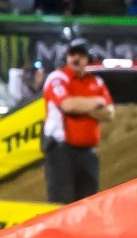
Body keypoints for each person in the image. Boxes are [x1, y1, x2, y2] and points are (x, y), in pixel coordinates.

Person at [42, 39, 112, 204]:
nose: (75, 58)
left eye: (81, 55)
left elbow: (109, 113)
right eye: (72, 54)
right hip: (61, 151)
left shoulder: (96, 81)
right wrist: (96, 102)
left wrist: (81, 106)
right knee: (62, 204)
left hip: (88, 153)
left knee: (87, 205)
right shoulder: (57, 78)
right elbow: (67, 105)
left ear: (88, 59)